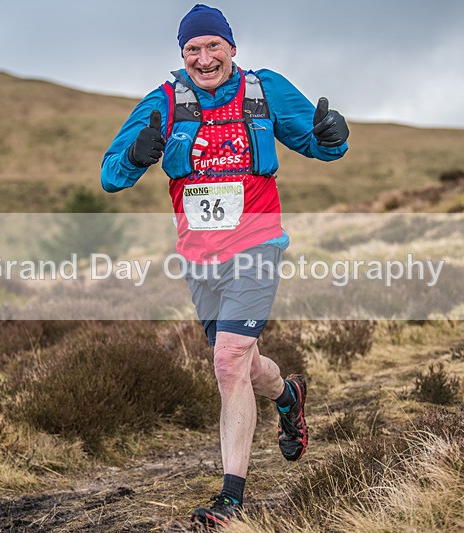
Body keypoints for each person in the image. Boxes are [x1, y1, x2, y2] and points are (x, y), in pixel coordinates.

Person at [101, 4, 348, 528]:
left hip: (257, 245)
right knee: (244, 364)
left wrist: (332, 134)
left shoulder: (265, 90)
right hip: (200, 259)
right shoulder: (163, 102)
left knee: (228, 363)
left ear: (232, 48)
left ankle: (231, 499)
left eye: (213, 46)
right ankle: (289, 395)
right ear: (182, 55)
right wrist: (137, 156)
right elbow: (110, 175)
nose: (204, 57)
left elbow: (322, 145)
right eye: (193, 49)